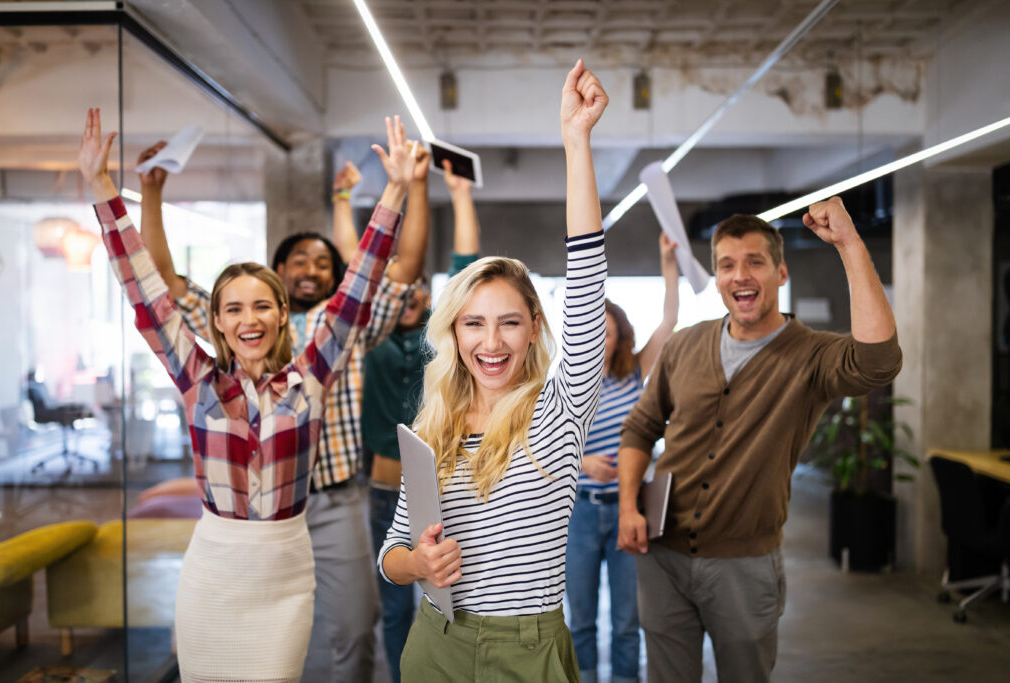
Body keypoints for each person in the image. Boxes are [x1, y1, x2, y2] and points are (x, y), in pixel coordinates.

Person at [79, 108, 417, 682]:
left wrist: (397, 191)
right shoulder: (197, 380)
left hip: (284, 574)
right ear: (216, 320)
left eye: (262, 305)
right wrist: (104, 189)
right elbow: (145, 292)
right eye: (233, 308)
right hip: (214, 572)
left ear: (283, 314)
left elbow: (357, 288)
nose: (249, 319)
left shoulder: (309, 379)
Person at [378, 59, 608, 682]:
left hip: (526, 649)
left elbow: (587, 281)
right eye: (474, 323)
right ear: (454, 333)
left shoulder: (560, 409)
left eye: (509, 321)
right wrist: (418, 566)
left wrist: (575, 143)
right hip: (435, 643)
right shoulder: (434, 425)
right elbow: (391, 553)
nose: (492, 341)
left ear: (534, 325)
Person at [616, 202, 903, 682]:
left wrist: (851, 245)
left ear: (781, 272)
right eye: (727, 264)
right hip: (661, 557)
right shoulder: (685, 344)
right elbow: (641, 427)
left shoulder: (811, 356)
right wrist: (629, 506)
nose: (740, 275)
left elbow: (878, 362)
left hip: (744, 566)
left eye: (754, 261)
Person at [358, 158, 481, 683]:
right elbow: (367, 267)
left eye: (416, 292)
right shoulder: (369, 337)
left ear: (429, 298)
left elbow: (466, 264)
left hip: (442, 483)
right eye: (398, 290)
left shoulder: (442, 340)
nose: (408, 295)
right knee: (394, 603)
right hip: (385, 486)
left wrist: (456, 192)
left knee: (447, 594)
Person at [565, 233, 679, 683]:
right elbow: (537, 450)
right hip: (580, 514)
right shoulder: (566, 381)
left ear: (618, 335)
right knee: (582, 620)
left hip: (629, 509)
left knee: (629, 622)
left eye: (607, 330)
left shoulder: (634, 370)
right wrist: (582, 464)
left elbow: (670, 320)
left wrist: (668, 263)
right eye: (592, 327)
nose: (600, 336)